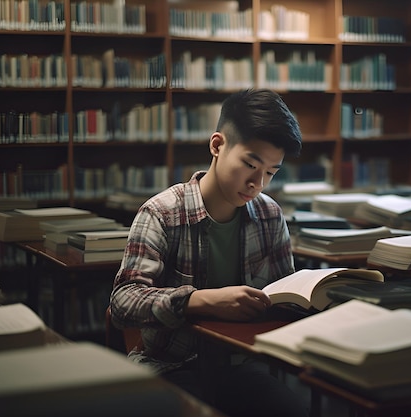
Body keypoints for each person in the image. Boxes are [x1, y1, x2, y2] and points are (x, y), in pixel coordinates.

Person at [110, 88, 309, 417]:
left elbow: (284, 296)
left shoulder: (271, 216)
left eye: (271, 173)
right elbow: (122, 302)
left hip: (241, 366)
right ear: (218, 145)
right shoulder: (161, 212)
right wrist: (198, 301)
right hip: (170, 365)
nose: (257, 183)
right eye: (250, 164)